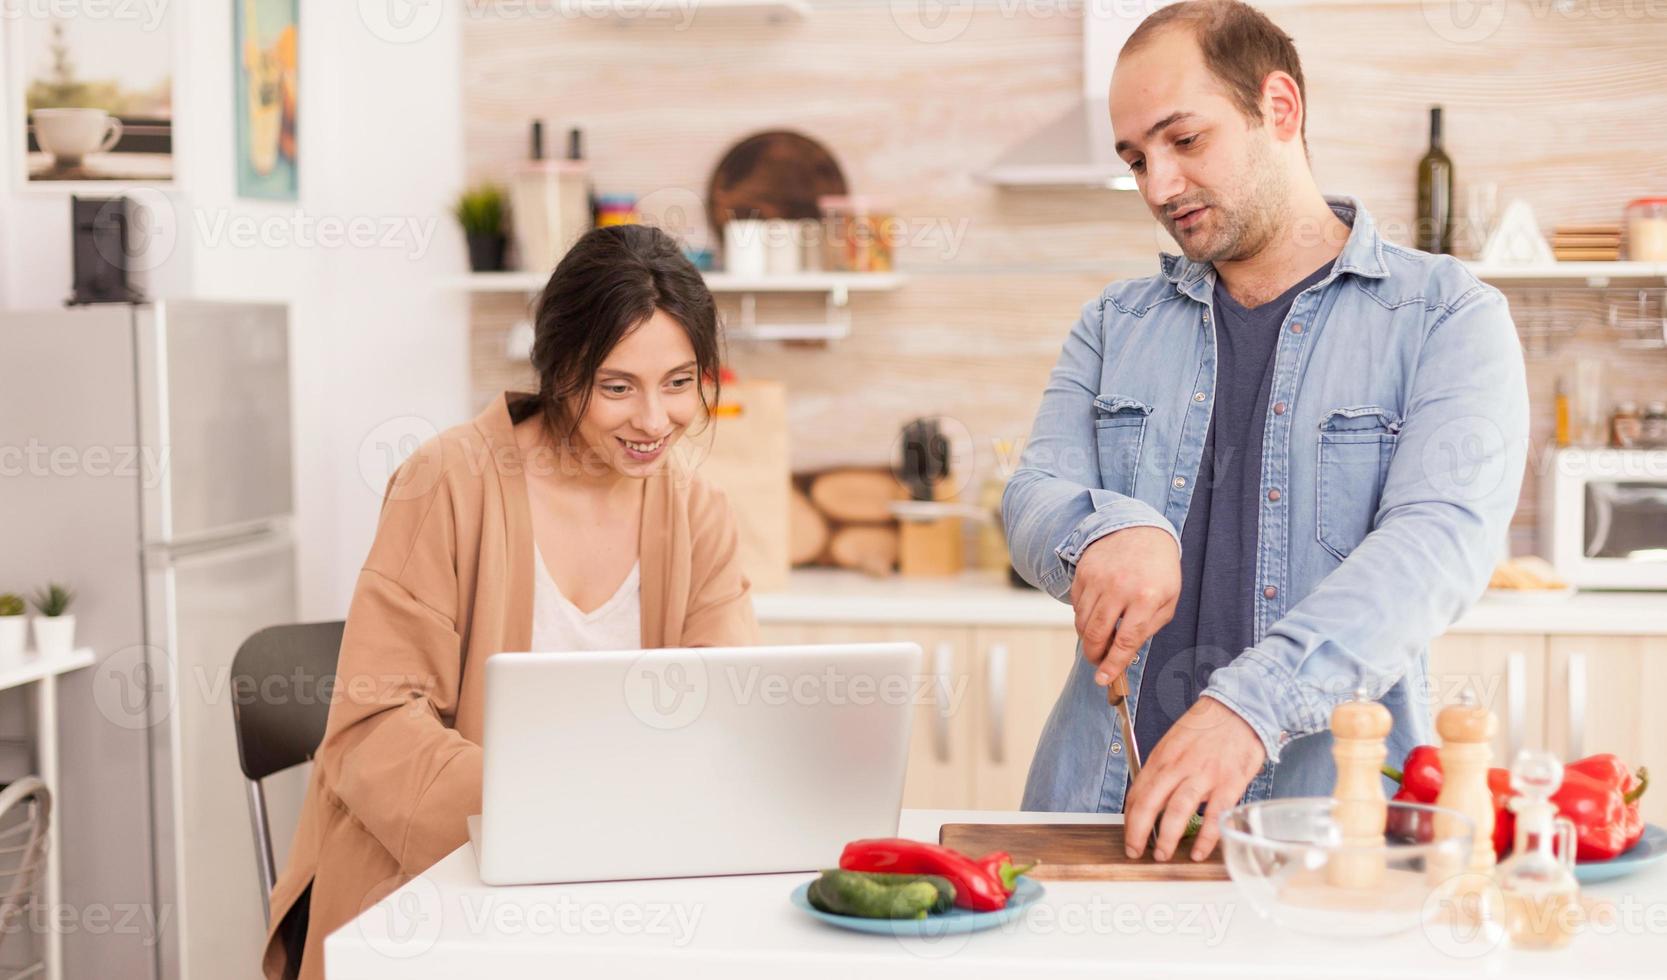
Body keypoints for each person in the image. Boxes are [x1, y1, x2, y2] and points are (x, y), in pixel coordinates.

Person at [1004, 0, 1528, 866]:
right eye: (1135, 159)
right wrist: (1107, 531)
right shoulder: (1114, 321)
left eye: (1184, 141)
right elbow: (1031, 497)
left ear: (1278, 109)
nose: (1157, 187)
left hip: (1337, 830)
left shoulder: (1445, 315)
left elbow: (1439, 542)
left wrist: (1249, 706)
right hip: (1101, 806)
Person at [262, 225, 759, 980]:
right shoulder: (447, 482)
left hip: (618, 882)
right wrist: (551, 821)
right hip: (431, 881)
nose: (655, 421)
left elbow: (725, 714)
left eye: (681, 382)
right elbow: (372, 730)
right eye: (617, 386)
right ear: (559, 370)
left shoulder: (698, 509)